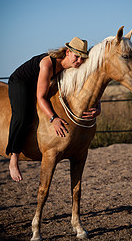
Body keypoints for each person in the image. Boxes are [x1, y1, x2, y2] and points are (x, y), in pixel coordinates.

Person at [6, 37, 101, 182]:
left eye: (83, 58)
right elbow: (41, 97)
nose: (80, 61)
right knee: (22, 115)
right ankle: (13, 159)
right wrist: (53, 118)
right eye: (77, 57)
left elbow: (91, 88)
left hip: (42, 82)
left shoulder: (74, 65)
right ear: (68, 52)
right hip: (22, 82)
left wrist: (98, 107)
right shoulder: (47, 64)